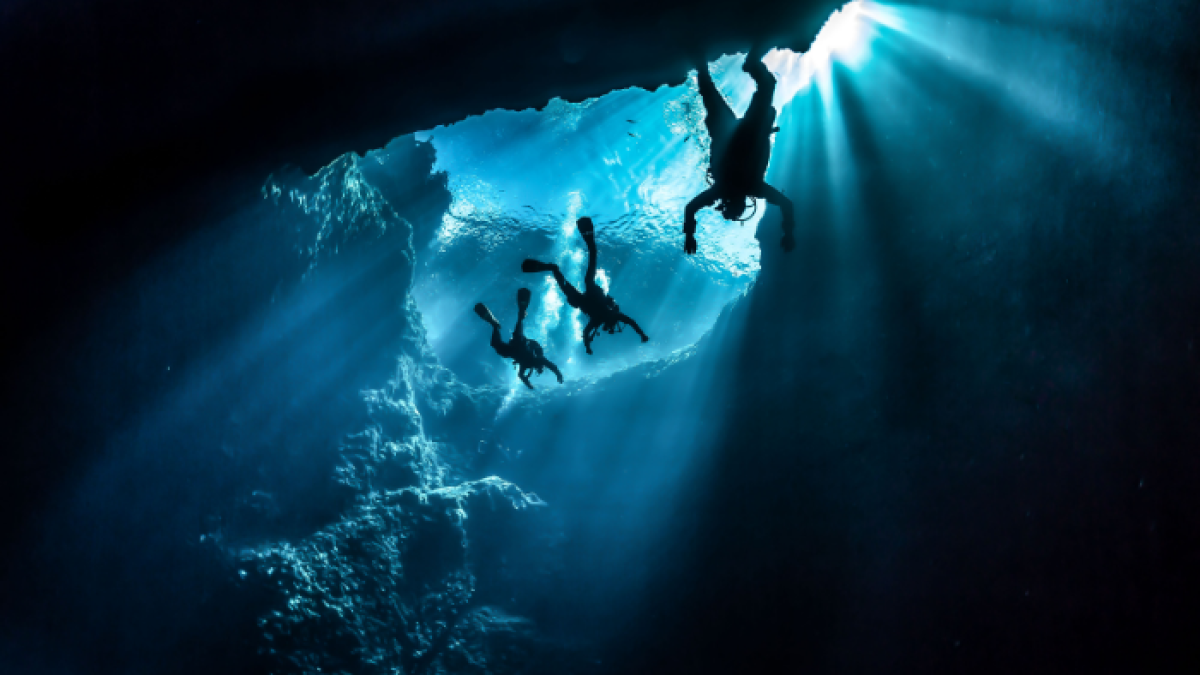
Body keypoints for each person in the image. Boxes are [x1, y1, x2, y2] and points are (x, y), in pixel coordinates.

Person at [683, 47, 796, 256]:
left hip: (733, 133)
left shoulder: (739, 189)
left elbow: (786, 205)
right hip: (741, 132)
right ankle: (748, 63)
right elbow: (691, 209)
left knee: (762, 86)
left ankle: (740, 61)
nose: (738, 200)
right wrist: (788, 233)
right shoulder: (748, 188)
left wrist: (690, 235)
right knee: (712, 87)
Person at [521, 217, 649, 355]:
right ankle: (584, 249)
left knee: (577, 283)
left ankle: (554, 266)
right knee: (583, 282)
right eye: (610, 326)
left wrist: (588, 347)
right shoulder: (612, 316)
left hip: (585, 300)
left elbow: (587, 332)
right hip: (591, 296)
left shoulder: (600, 320)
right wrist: (642, 335)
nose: (608, 326)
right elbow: (631, 322)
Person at [475, 287, 563, 390]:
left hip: (513, 351)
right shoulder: (539, 360)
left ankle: (494, 324)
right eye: (541, 368)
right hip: (520, 345)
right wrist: (558, 375)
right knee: (517, 334)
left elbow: (521, 375)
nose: (539, 369)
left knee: (497, 346)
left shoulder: (527, 365)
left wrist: (528, 383)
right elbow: (552, 366)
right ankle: (520, 313)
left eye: (539, 370)